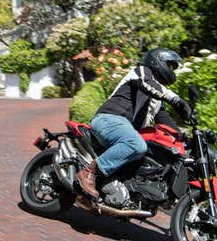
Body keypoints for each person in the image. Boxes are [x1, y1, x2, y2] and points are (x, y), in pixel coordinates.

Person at [76, 47, 192, 199]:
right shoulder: (141, 72)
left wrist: (184, 138)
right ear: (158, 61)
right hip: (109, 119)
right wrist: (175, 99)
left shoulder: (156, 100)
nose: (171, 70)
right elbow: (148, 83)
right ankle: (89, 172)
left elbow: (165, 120)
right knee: (136, 144)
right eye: (169, 65)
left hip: (126, 129)